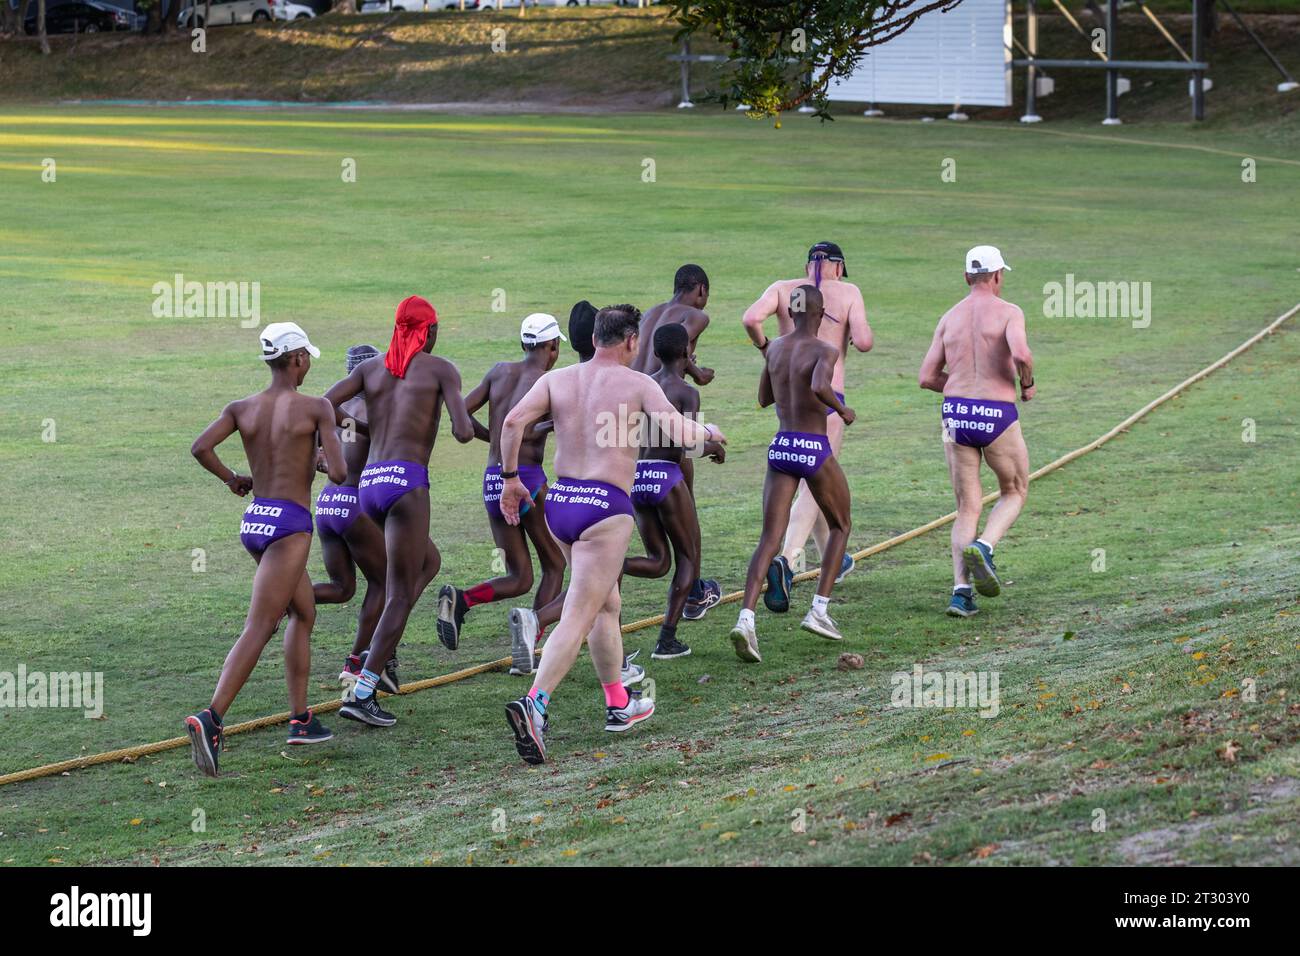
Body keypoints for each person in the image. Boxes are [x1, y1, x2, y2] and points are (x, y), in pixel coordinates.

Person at [498, 305, 724, 764]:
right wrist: (713, 435)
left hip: (560, 503)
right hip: (605, 509)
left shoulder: (557, 379)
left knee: (606, 604)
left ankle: (619, 703)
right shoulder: (638, 383)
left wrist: (510, 479)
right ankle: (535, 703)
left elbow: (511, 423)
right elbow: (682, 434)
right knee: (581, 610)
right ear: (629, 341)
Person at [185, 322, 346, 777]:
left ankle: (301, 719)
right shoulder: (318, 408)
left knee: (304, 612)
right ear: (296, 359)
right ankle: (212, 719)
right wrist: (318, 457)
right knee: (261, 625)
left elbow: (201, 447)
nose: (310, 363)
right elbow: (338, 473)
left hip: (256, 521)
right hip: (291, 527)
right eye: (307, 357)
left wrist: (234, 479)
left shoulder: (241, 408)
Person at [323, 295, 475, 727]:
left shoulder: (369, 370)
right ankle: (365, 686)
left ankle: (378, 649)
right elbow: (463, 432)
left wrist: (370, 427)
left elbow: (323, 404)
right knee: (399, 594)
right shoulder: (441, 368)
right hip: (407, 483)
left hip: (370, 485)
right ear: (428, 332)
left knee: (428, 561)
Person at [741, 242, 872, 611]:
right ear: (839, 267)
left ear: (807, 264)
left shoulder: (784, 288)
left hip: (786, 395)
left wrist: (768, 349)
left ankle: (830, 556)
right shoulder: (848, 292)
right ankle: (787, 558)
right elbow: (863, 342)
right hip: (828, 400)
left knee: (802, 479)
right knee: (816, 484)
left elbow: (751, 318)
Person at [731, 285, 854, 663]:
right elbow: (819, 385)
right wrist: (841, 410)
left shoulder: (775, 349)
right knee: (840, 525)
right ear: (820, 314)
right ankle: (819, 609)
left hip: (781, 446)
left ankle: (746, 619)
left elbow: (764, 398)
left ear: (793, 312)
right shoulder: (826, 350)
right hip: (812, 448)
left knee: (770, 536)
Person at [434, 314, 566, 659]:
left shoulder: (498, 372)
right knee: (555, 564)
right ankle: (532, 640)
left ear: (525, 344)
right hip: (527, 481)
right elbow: (532, 429)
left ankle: (462, 599)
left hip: (493, 481)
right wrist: (552, 423)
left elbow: (460, 412)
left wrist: (495, 438)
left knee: (519, 577)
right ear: (552, 347)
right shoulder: (550, 381)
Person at [917, 245, 1033, 617]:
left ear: (967, 277)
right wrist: (1026, 385)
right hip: (996, 413)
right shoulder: (1009, 312)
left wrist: (961, 389)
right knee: (1014, 490)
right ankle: (984, 546)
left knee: (967, 505)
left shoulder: (948, 317)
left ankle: (961, 593)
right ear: (998, 276)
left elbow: (926, 377)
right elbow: (1022, 356)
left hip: (956, 414)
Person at [623, 323, 725, 659]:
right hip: (667, 477)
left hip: (638, 478)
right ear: (686, 353)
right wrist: (715, 447)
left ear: (654, 352)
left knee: (658, 560)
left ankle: (613, 565)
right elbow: (689, 447)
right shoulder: (686, 392)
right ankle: (667, 639)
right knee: (688, 558)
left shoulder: (641, 383)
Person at [633, 264, 723, 620]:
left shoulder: (651, 314)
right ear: (699, 290)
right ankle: (694, 591)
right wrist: (698, 374)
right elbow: (675, 353)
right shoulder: (696, 316)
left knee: (645, 482)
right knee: (684, 499)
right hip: (665, 403)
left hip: (633, 406)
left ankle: (676, 574)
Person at [312, 344, 402, 696]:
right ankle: (358, 663)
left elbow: (322, 459)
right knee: (385, 585)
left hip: (327, 504)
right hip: (355, 504)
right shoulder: (377, 408)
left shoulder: (334, 410)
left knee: (342, 588)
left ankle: (281, 599)